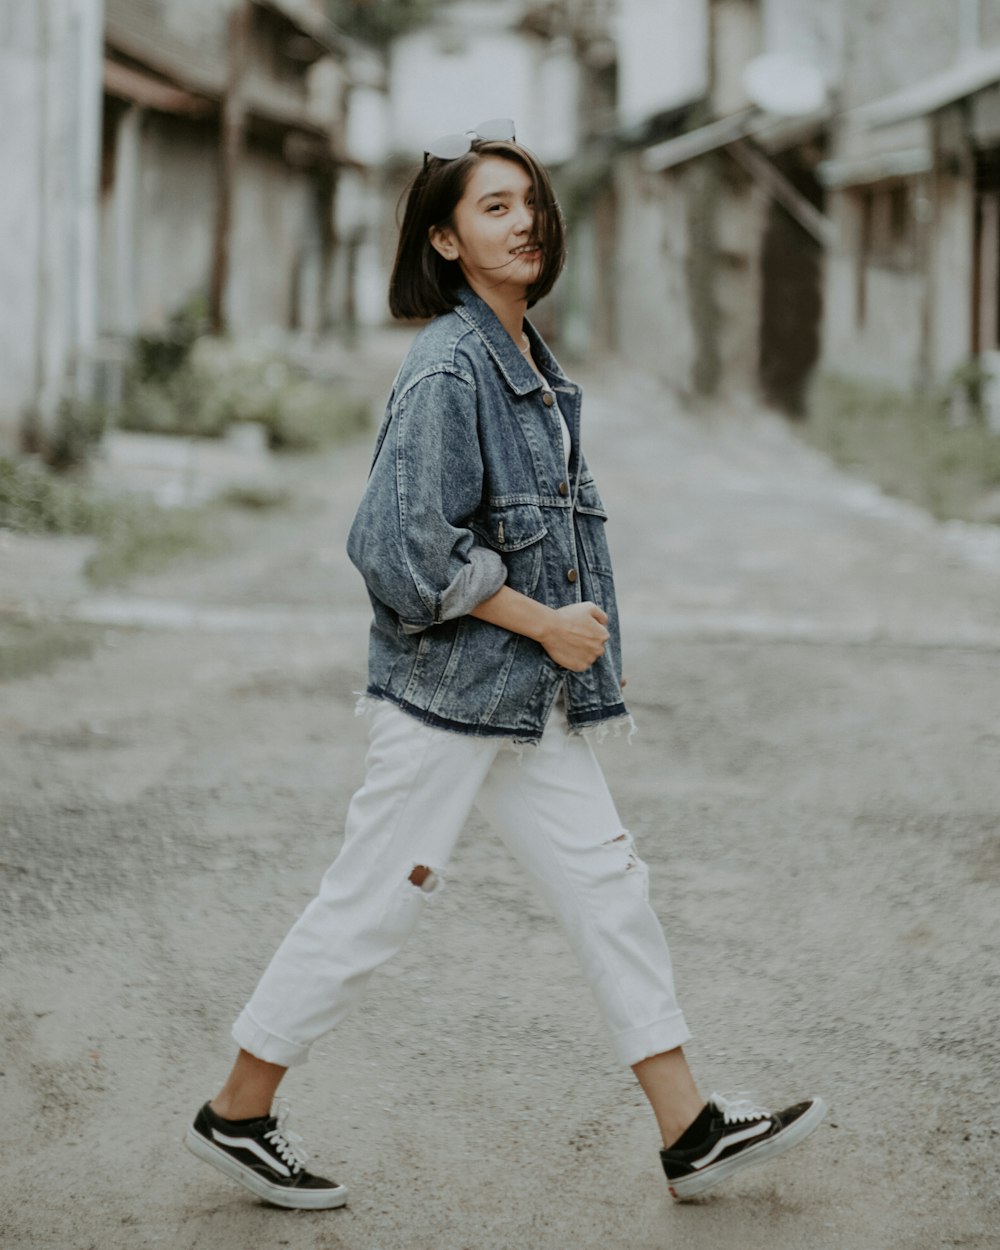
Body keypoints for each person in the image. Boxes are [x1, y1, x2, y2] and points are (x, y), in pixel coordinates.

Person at [183, 119, 826, 1210]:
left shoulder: (526, 357)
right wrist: (543, 621)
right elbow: (396, 548)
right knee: (371, 902)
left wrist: (546, 647)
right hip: (449, 697)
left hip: (520, 701)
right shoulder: (447, 368)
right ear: (442, 238)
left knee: (607, 885)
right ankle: (237, 1111)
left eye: (529, 200)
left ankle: (688, 1128)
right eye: (493, 205)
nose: (524, 219)